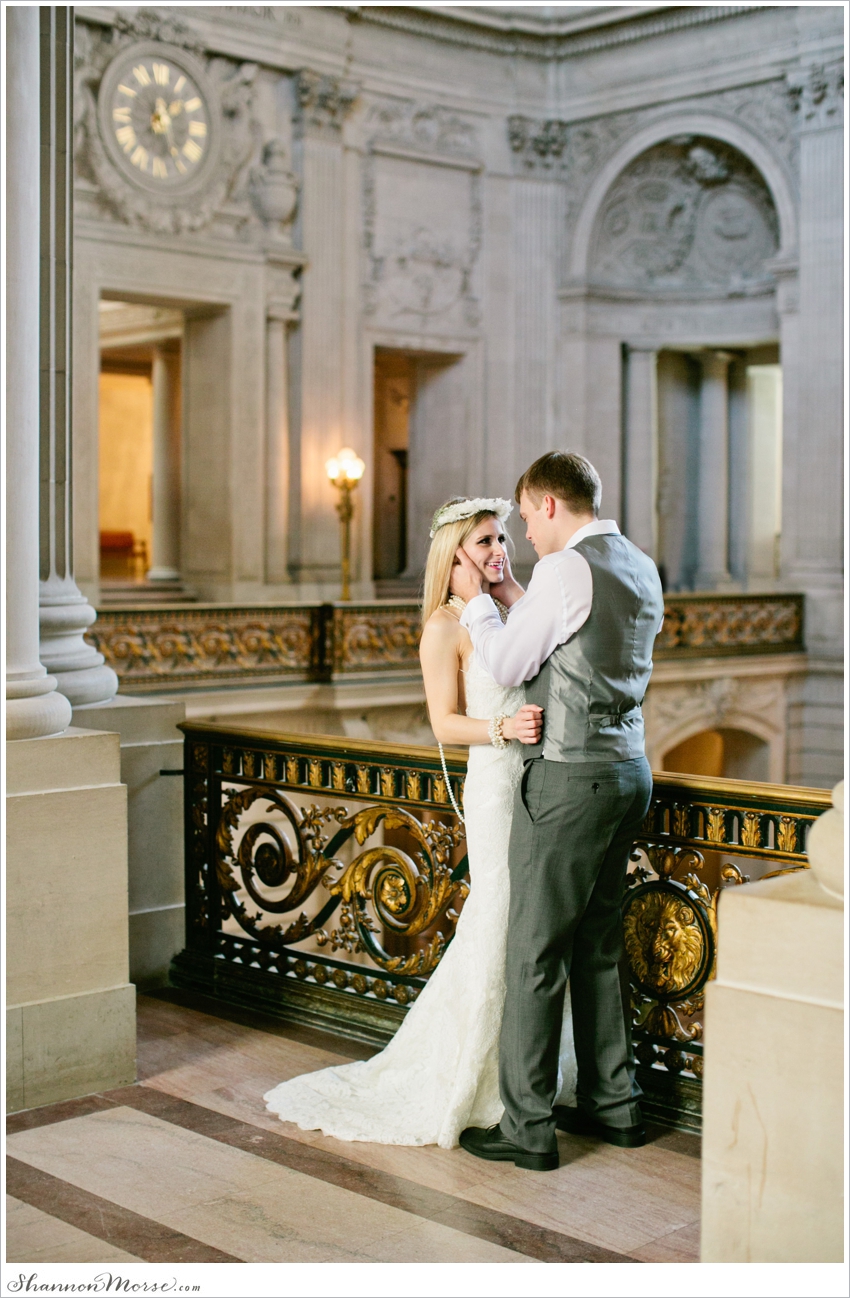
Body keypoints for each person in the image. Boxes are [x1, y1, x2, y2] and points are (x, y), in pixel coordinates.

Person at [264, 496, 577, 1149]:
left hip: (541, 781)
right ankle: (477, 1079)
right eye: (485, 543)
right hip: (495, 782)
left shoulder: (509, 602)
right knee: (497, 919)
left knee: (536, 921)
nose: (499, 550)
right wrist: (502, 728)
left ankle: (533, 1075)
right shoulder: (444, 625)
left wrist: (510, 584)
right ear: (455, 553)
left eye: (501, 538)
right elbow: (443, 723)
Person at [451, 451, 665, 1172]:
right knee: (596, 946)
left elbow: (510, 664)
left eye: (525, 521)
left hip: (571, 780)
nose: (523, 540)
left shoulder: (565, 569)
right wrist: (514, 594)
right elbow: (579, 646)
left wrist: (480, 605)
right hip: (629, 769)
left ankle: (529, 1127)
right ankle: (615, 1106)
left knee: (534, 951)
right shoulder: (637, 563)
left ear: (546, 504)